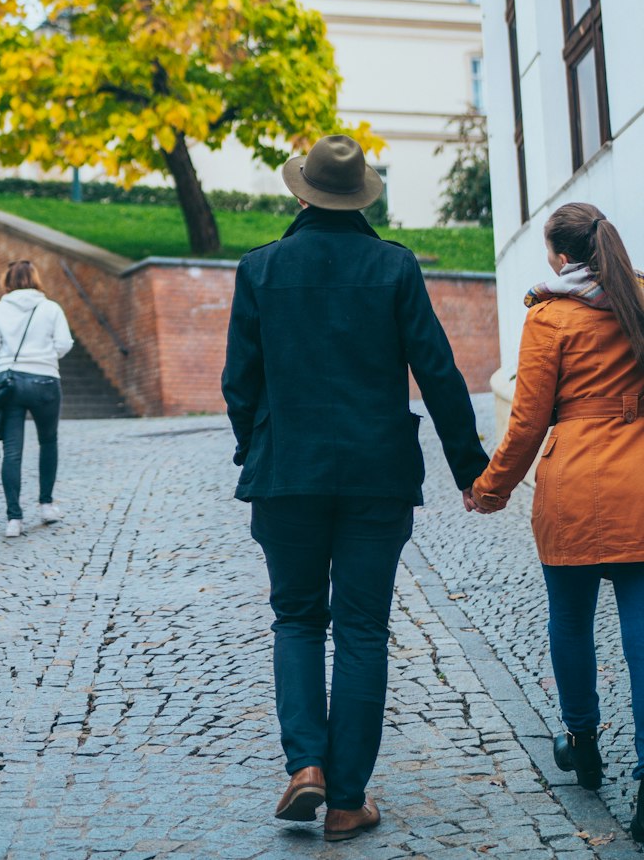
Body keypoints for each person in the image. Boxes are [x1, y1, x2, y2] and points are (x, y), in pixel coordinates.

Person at [222, 134, 489, 843]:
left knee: (299, 619)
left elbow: (238, 383)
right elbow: (438, 370)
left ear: (301, 193)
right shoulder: (394, 268)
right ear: (359, 196)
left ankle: (305, 764)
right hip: (377, 476)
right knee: (364, 629)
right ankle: (346, 801)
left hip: (288, 476)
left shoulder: (261, 269)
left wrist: (258, 450)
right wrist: (470, 467)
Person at [470, 203, 644, 841]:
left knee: (569, 620)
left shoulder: (548, 317)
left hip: (573, 486)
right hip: (640, 485)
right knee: (642, 629)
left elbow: (527, 421)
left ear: (560, 256)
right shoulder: (639, 297)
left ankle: (583, 744)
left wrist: (490, 488)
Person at [0, 260, 73, 538]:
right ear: (35, 278)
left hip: (10, 383)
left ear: (7, 280)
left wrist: (6, 359)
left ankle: (14, 518)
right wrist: (44, 358)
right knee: (48, 441)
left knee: (13, 450)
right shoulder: (51, 308)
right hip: (45, 380)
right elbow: (64, 343)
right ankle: (46, 504)